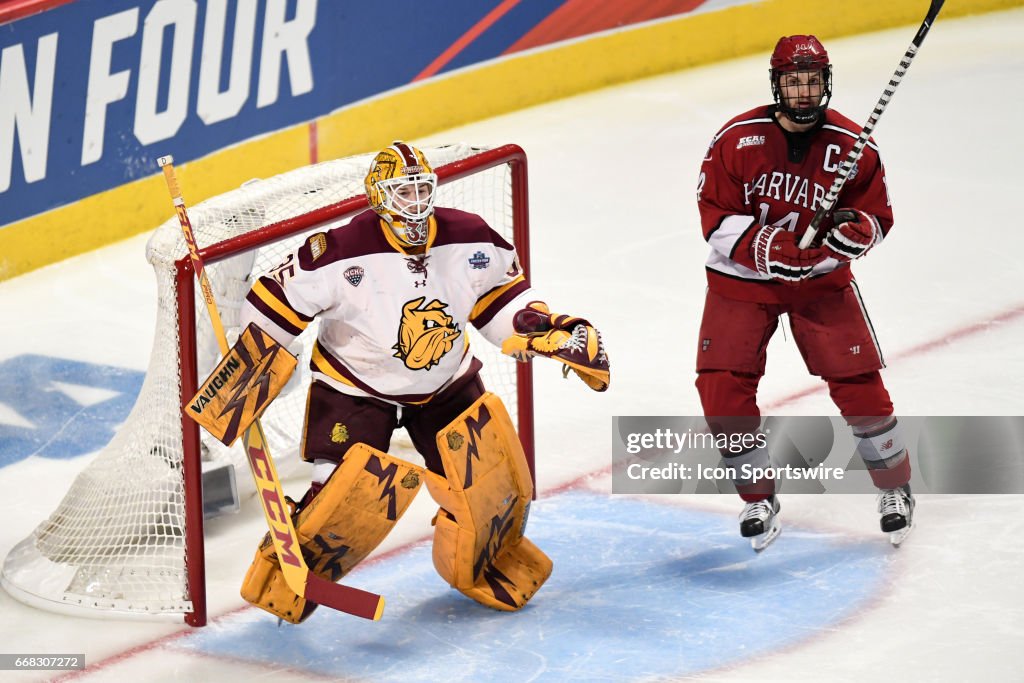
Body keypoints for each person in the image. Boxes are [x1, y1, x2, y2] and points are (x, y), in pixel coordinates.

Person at [229, 141, 609, 621]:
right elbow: (274, 301)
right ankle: (282, 575)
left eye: (420, 189)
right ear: (377, 197)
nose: (413, 202)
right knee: (340, 500)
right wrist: (254, 365)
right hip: (355, 386)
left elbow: (498, 304)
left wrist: (542, 331)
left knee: (486, 490)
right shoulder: (340, 251)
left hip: (445, 382)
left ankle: (487, 563)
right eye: (401, 193)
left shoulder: (471, 237)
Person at [694, 35, 914, 550]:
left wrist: (852, 234)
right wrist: (766, 246)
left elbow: (877, 217)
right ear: (777, 84)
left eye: (812, 80)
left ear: (826, 82)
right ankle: (757, 497)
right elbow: (715, 216)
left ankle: (896, 488)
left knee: (857, 382)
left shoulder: (854, 145)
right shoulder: (736, 140)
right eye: (793, 81)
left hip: (820, 283)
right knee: (721, 388)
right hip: (743, 283)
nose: (803, 90)